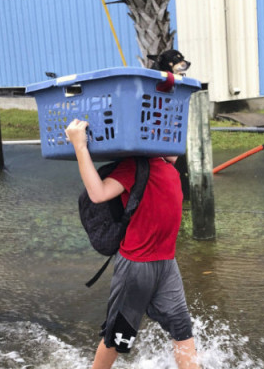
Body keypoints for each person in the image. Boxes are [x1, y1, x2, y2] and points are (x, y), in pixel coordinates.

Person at [65, 118, 200, 369]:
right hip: (136, 266)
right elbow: (98, 194)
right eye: (164, 129)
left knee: (182, 329)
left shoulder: (168, 166)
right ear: (147, 135)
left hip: (167, 264)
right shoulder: (135, 166)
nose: (173, 134)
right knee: (118, 336)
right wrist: (80, 147)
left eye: (173, 130)